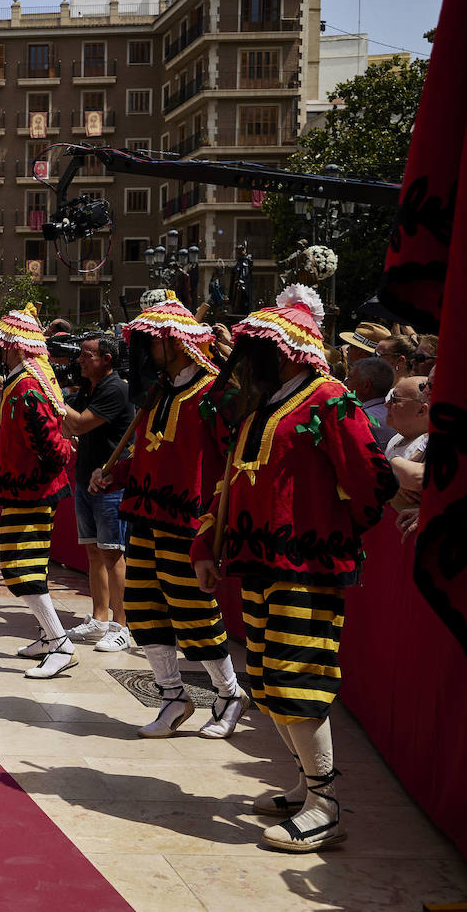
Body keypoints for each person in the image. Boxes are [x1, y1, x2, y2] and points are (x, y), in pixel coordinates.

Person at [191, 284, 395, 852]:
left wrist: (329, 533)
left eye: (257, 345)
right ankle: (309, 785)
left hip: (305, 565)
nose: (247, 357)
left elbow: (369, 480)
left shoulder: (329, 400)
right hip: (260, 561)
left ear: (285, 349)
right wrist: (206, 543)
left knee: (296, 678)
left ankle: (325, 802)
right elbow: (231, 481)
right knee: (268, 678)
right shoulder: (268, 404)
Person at [91, 293, 247, 736]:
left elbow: (227, 461)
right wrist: (116, 473)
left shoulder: (216, 392)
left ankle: (229, 691)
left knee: (192, 610)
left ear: (175, 344)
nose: (145, 352)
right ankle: (172, 696)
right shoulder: (159, 392)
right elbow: (149, 454)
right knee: (143, 607)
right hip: (145, 513)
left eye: (152, 343)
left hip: (187, 520)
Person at [0, 307, 75, 677]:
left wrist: (53, 459)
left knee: (24, 570)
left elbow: (50, 443)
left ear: (16, 349)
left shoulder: (28, 386)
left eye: (4, 346)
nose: (0, 352)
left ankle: (60, 643)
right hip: (23, 489)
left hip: (34, 491)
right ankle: (49, 638)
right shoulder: (22, 383)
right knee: (19, 568)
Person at [61, 332, 134, 653]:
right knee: (93, 552)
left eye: (86, 355)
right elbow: (66, 426)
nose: (79, 360)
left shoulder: (116, 388)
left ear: (107, 359)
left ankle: (121, 625)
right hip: (85, 478)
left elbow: (77, 425)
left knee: (113, 552)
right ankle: (99, 618)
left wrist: (50, 392)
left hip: (109, 483)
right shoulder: (87, 389)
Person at [345, 357, 396, 448]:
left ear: (366, 386)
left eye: (350, 378)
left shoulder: (359, 418)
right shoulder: (393, 415)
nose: (346, 382)